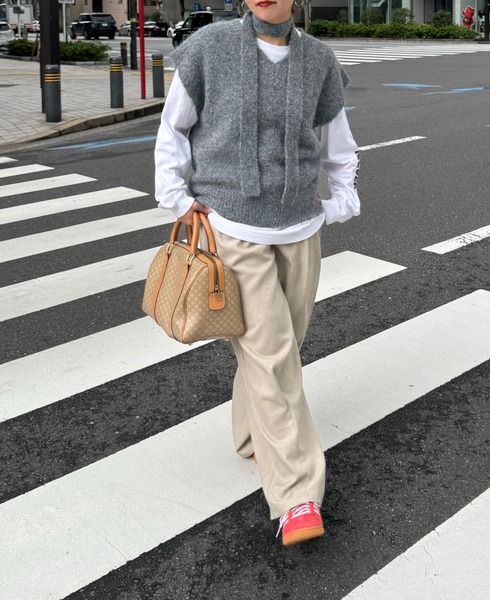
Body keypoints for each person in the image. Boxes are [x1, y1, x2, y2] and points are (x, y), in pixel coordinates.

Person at [155, 0, 360, 546]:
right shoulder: (209, 48)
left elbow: (336, 140)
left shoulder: (319, 60)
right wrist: (177, 197)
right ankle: (296, 494)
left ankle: (250, 436)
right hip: (232, 225)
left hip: (300, 227)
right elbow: (174, 127)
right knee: (271, 352)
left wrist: (342, 199)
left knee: (283, 347)